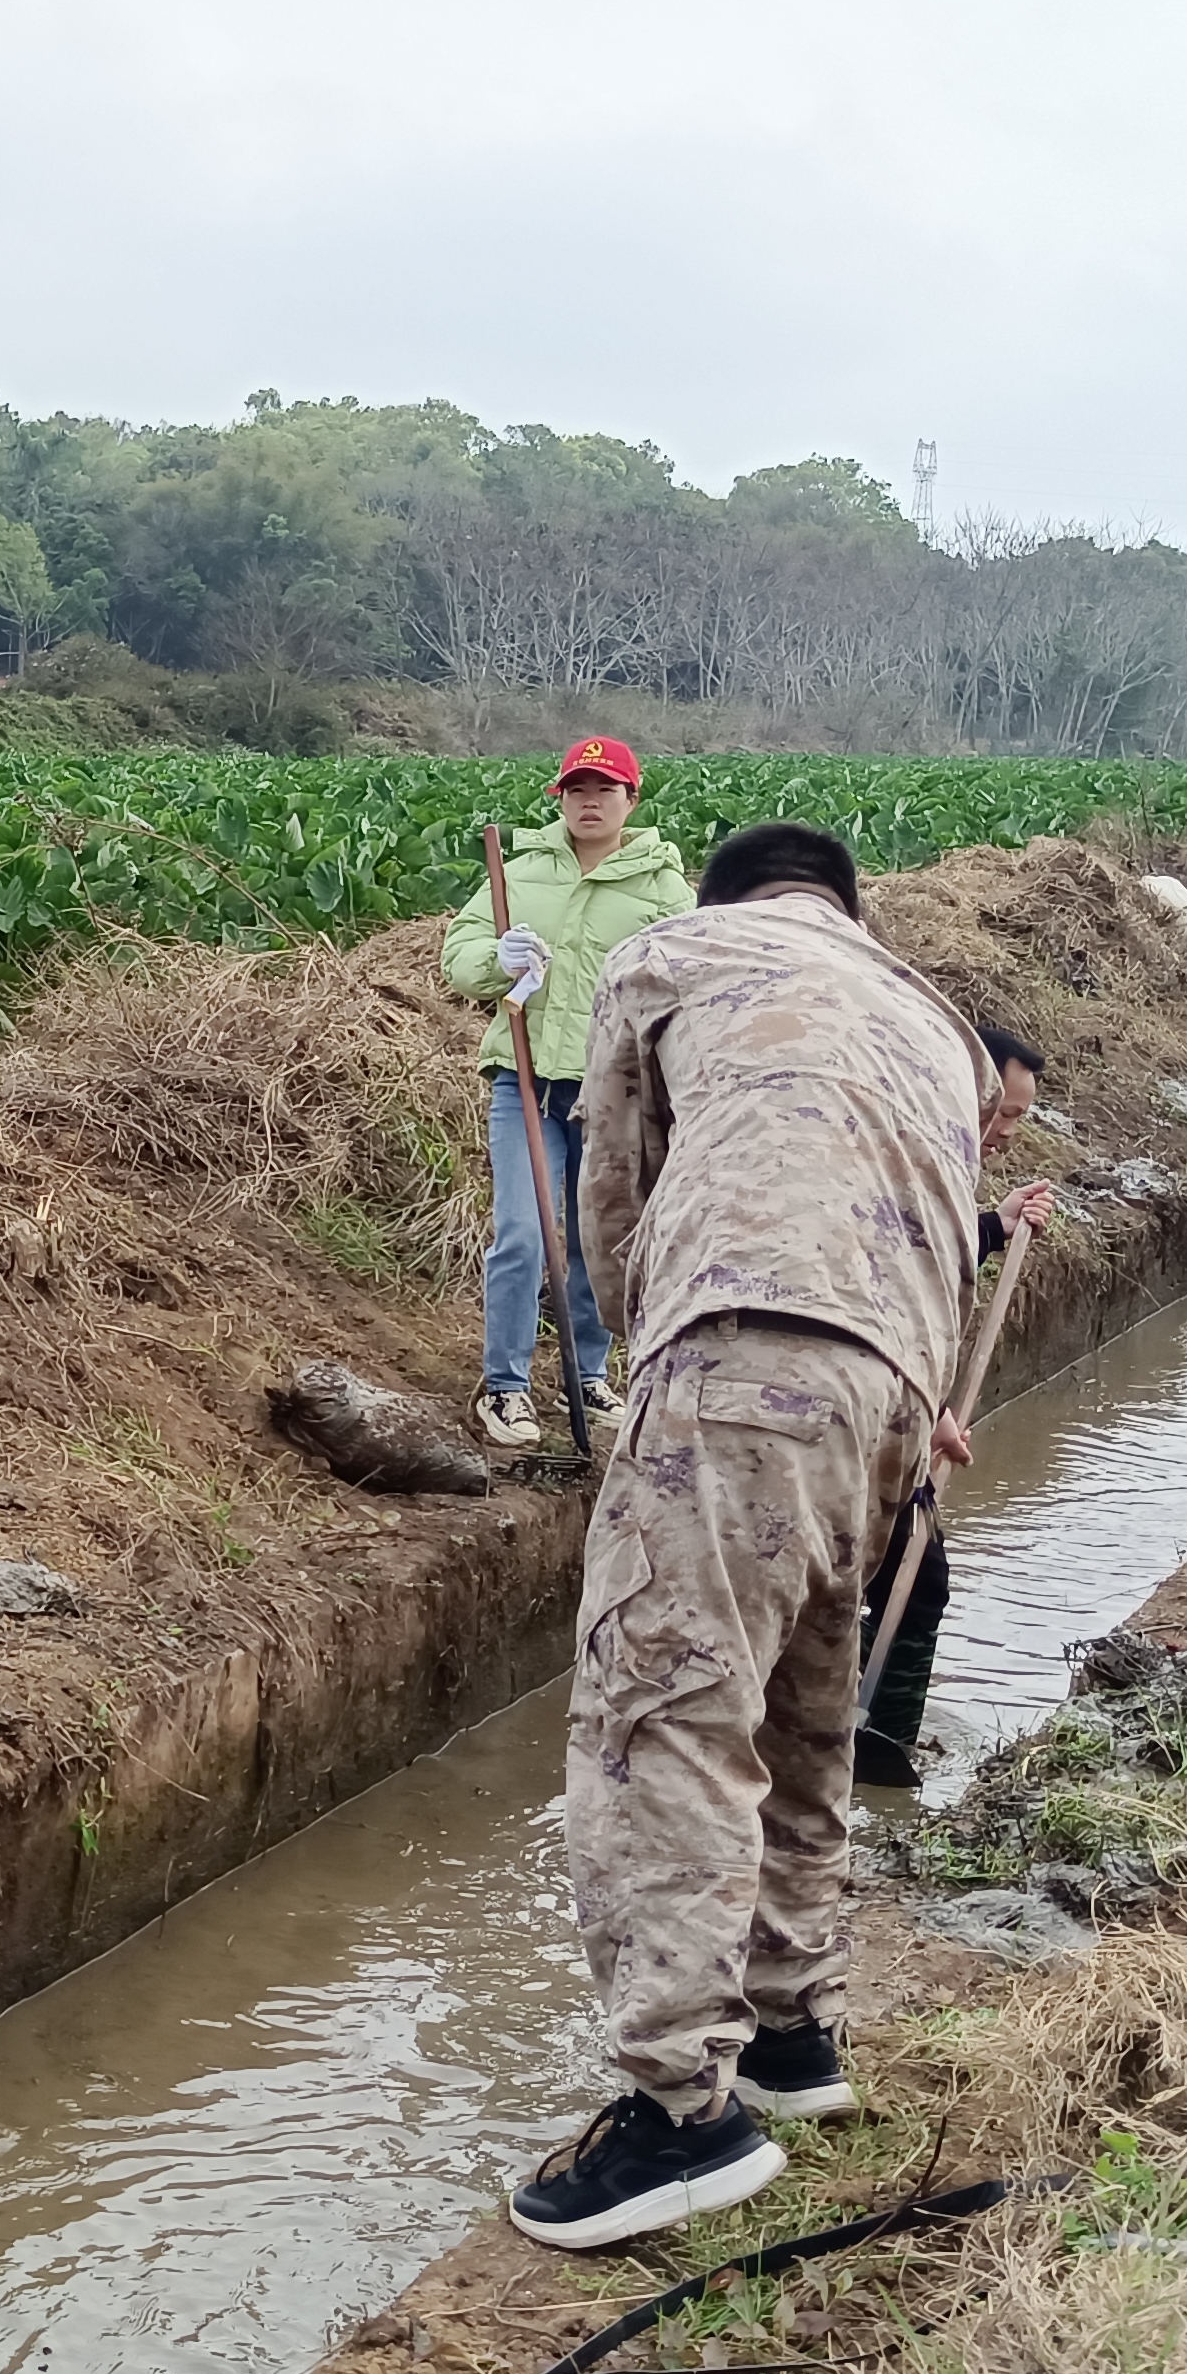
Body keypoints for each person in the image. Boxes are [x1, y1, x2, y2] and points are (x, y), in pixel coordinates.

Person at [506, 822, 989, 2250]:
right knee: (805, 1712)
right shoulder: (928, 1013)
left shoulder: (673, 954)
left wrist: (622, 1374)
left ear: (729, 900)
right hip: (898, 1390)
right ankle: (793, 2038)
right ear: (844, 908)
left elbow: (618, 1190)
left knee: (664, 1715)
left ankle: (678, 2115)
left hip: (740, 1345)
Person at [440, 736, 693, 1451]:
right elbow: (459, 959)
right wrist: (497, 960)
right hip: (523, 1084)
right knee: (522, 1234)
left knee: (595, 1241)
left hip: (614, 1093)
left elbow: (688, 976)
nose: (589, 801)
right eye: (577, 789)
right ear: (560, 797)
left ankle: (588, 1373)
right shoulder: (519, 874)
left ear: (630, 801)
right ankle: (507, 1388)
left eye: (604, 790)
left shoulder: (662, 887)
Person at [850, 1028, 1059, 1789]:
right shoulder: (909, 1159)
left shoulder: (930, 1158)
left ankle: (853, 1724)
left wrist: (995, 1229)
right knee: (910, 1573)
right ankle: (870, 1739)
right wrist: (928, 1407)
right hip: (859, 1402)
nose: (1005, 1132)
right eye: (1001, 1113)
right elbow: (884, 1292)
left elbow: (932, 1252)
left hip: (880, 1398)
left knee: (892, 1575)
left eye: (1016, 1121)